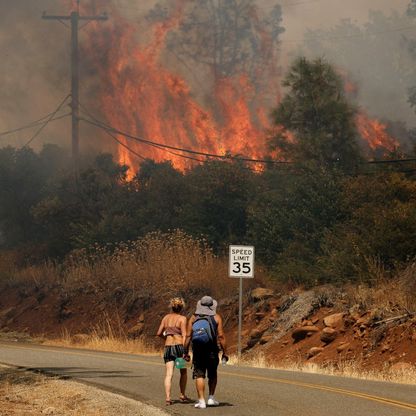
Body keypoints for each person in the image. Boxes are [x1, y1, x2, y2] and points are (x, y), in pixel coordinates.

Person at [184, 295, 228, 409]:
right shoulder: (217, 317)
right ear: (212, 306)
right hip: (212, 350)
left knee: (199, 375)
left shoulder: (193, 318)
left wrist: (185, 352)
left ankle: (201, 401)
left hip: (198, 350)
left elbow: (188, 336)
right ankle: (211, 398)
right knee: (212, 374)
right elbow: (221, 336)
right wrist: (225, 352)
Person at [157, 297, 190, 405]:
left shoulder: (166, 318)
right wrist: (185, 350)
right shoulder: (182, 318)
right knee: (183, 372)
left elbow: (159, 333)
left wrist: (165, 338)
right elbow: (184, 335)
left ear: (172, 307)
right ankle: (182, 395)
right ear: (181, 307)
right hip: (179, 347)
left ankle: (168, 398)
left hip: (168, 347)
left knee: (169, 374)